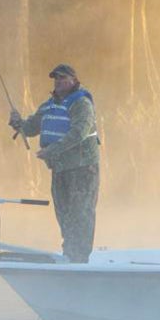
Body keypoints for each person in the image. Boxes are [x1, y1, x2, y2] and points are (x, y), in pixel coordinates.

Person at [8, 64, 100, 263]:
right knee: (64, 214)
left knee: (81, 214)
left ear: (74, 81)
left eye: (62, 78)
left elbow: (79, 133)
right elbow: (31, 128)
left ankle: (80, 258)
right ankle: (69, 254)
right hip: (60, 170)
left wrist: (52, 150)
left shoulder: (81, 103)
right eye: (55, 78)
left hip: (82, 169)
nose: (58, 82)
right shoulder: (49, 105)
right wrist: (18, 123)